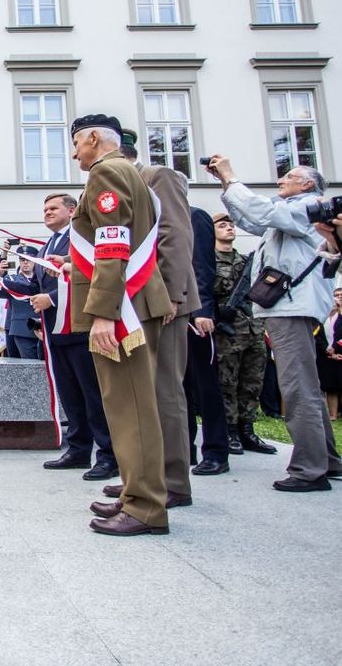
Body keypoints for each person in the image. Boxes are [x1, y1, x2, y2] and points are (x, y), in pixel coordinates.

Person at [207, 155, 340, 491]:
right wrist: (226, 185)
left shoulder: (308, 206)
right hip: (290, 307)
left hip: (291, 308)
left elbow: (262, 212)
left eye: (288, 176)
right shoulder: (295, 211)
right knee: (305, 385)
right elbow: (253, 221)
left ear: (307, 184)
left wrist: (231, 175)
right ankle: (327, 460)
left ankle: (309, 470)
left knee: (297, 388)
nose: (281, 180)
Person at [67, 115, 172, 537]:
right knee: (132, 405)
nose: (74, 152)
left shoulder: (107, 172)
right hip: (135, 301)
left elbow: (113, 244)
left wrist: (105, 313)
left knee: (131, 409)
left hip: (123, 308)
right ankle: (134, 493)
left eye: (76, 142)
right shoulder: (130, 173)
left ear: (94, 139)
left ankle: (146, 507)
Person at [118, 128, 196, 512]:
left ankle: (174, 481)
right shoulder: (130, 185)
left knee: (164, 390)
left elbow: (176, 236)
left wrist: (172, 296)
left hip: (162, 303)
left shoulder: (157, 177)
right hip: (136, 303)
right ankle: (145, 479)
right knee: (142, 393)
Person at [19, 193, 117, 480]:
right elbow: (36, 284)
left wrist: (51, 298)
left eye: (53, 208)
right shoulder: (48, 244)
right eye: (44, 208)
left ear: (72, 210)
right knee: (71, 394)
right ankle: (78, 449)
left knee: (92, 393)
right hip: (54, 331)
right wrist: (0, 284)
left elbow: (88, 274)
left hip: (80, 326)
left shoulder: (81, 238)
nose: (47, 213)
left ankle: (109, 454)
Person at [212, 211, 272, 455]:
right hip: (227, 331)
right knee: (227, 382)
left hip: (252, 328)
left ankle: (247, 430)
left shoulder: (248, 261)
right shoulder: (208, 260)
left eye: (231, 225)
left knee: (252, 382)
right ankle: (230, 432)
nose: (229, 229)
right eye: (223, 225)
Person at [183, 206, 232, 476]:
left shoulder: (194, 216)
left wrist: (203, 310)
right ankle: (184, 447)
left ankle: (215, 451)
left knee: (206, 387)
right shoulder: (155, 216)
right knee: (177, 387)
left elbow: (202, 265)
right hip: (169, 315)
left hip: (194, 315)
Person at [0, 247, 41, 359]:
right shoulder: (12, 279)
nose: (25, 262)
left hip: (42, 327)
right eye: (22, 260)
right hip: (22, 329)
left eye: (28, 259)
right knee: (28, 364)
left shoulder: (41, 279)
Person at [318, 288, 342, 421]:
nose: (338, 299)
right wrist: (327, 350)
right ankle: (331, 414)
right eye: (336, 296)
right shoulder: (323, 318)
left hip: (339, 352)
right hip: (326, 354)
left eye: (341, 296)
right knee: (329, 385)